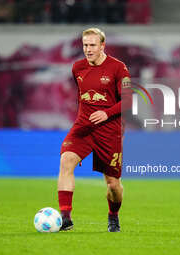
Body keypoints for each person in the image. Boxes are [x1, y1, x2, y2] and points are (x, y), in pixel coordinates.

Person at [57, 27, 131, 232]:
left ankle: (113, 216)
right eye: (85, 45)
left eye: (92, 45)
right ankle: (65, 218)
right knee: (66, 161)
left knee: (113, 184)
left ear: (102, 46)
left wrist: (106, 113)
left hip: (109, 131)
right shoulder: (77, 68)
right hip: (83, 127)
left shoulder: (119, 68)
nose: (88, 50)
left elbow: (129, 100)